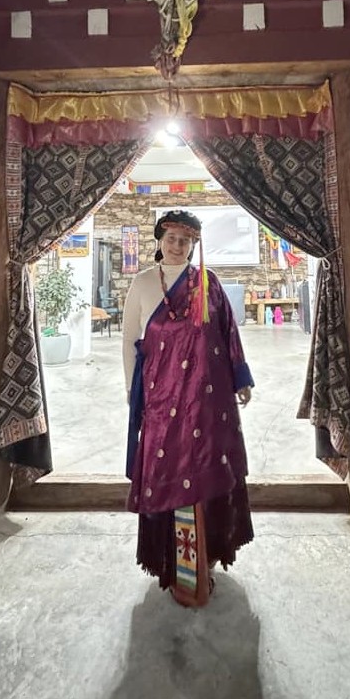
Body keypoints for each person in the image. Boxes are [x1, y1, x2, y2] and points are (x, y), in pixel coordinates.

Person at [122, 208, 255, 608]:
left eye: (185, 241)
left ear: (194, 245)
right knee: (168, 472)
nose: (177, 246)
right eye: (171, 239)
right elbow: (129, 341)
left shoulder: (208, 283)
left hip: (208, 403)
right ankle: (171, 561)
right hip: (162, 402)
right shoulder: (143, 284)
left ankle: (206, 558)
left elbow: (228, 332)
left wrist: (241, 378)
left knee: (208, 470)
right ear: (160, 241)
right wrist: (132, 392)